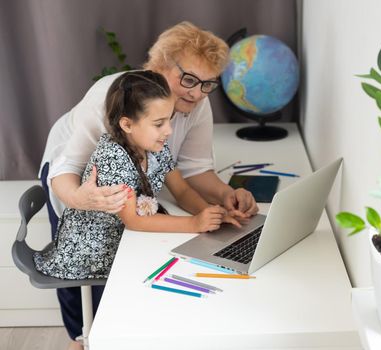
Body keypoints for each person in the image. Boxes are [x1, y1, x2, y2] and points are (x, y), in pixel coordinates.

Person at [39, 22, 258, 350]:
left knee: (126, 264)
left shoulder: (174, 120)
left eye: (208, 84)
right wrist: (80, 199)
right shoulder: (113, 107)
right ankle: (82, 338)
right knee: (89, 261)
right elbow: (67, 169)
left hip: (128, 190)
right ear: (160, 66)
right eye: (189, 80)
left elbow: (191, 174)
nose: (197, 93)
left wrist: (223, 201)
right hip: (73, 178)